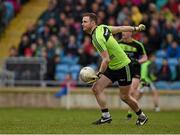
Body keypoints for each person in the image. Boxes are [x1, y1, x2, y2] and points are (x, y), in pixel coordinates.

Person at [82, 12, 148, 126]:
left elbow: (106, 59)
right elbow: (121, 28)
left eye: (85, 21)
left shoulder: (97, 38)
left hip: (124, 67)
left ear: (93, 23)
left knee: (125, 97)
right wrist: (136, 28)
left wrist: (98, 74)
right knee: (96, 88)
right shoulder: (102, 28)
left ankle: (142, 116)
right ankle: (106, 116)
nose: (82, 24)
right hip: (113, 67)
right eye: (82, 21)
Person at [118, 31, 148, 120]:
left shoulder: (138, 45)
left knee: (130, 92)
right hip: (123, 70)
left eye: (125, 32)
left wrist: (138, 61)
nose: (123, 33)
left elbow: (145, 58)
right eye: (122, 32)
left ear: (130, 33)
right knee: (125, 96)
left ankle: (136, 114)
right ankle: (133, 112)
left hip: (135, 71)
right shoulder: (118, 43)